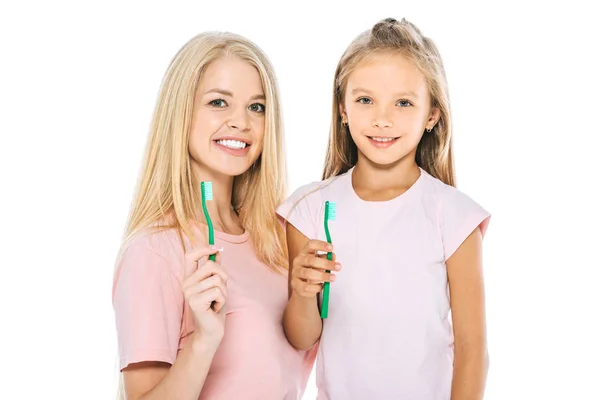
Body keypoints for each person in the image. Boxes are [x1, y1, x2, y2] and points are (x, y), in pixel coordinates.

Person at [277, 17, 491, 399]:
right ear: (342, 108)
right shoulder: (309, 210)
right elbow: (302, 336)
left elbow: (472, 350)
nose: (382, 119)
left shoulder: (453, 217)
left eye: (404, 103)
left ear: (432, 115)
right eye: (365, 100)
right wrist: (302, 290)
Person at [112, 31, 315, 400]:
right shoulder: (154, 251)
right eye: (219, 102)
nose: (241, 122)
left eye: (257, 107)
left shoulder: (280, 243)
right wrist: (204, 340)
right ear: (181, 111)